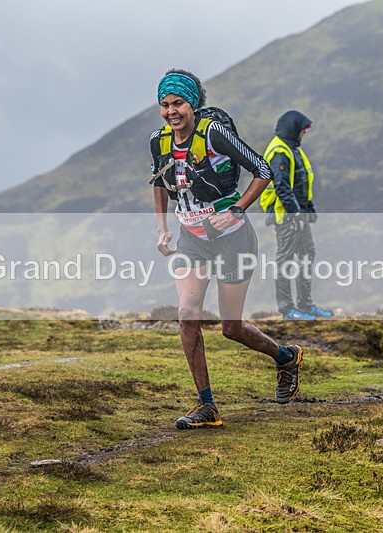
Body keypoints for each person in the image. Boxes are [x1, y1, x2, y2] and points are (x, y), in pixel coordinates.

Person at [150, 69, 303, 429]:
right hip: (192, 240)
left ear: (192, 104)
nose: (171, 111)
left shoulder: (213, 133)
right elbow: (157, 179)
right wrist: (162, 227)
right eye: (165, 105)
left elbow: (263, 169)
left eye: (178, 103)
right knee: (187, 313)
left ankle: (285, 357)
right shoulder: (159, 141)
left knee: (230, 327)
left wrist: (236, 209)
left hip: (234, 237)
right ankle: (207, 406)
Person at [260, 110, 333, 321]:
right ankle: (287, 309)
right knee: (286, 260)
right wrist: (296, 213)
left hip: (298, 215)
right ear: (293, 129)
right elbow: (282, 187)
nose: (304, 133)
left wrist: (308, 209)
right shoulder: (279, 152)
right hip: (286, 216)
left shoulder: (292, 148)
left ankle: (305, 306)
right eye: (302, 130)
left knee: (307, 255)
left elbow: (301, 182)